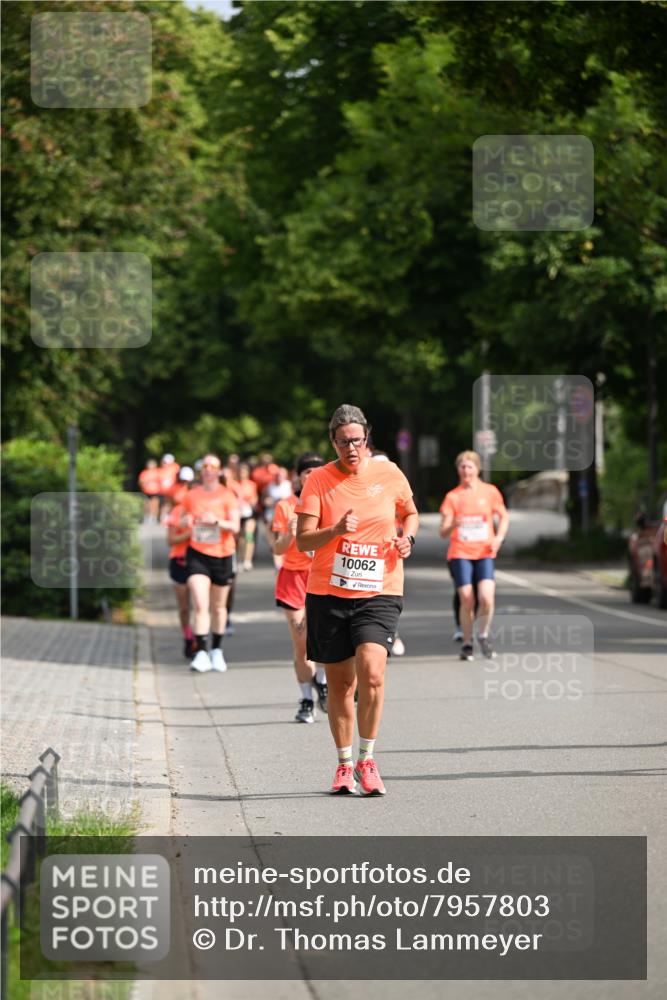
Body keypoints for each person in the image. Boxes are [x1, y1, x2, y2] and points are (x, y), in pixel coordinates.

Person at [296, 404, 419, 796]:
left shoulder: (389, 473)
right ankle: (344, 765)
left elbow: (410, 513)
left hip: (380, 589)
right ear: (332, 442)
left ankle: (367, 759)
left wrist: (407, 538)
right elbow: (302, 539)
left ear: (367, 437)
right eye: (343, 442)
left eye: (357, 440)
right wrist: (334, 530)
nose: (351, 448)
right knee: (341, 685)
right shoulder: (318, 480)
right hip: (329, 593)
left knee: (373, 672)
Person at [272, 453, 328, 724]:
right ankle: (306, 699)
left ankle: (323, 681)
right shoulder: (285, 506)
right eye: (307, 472)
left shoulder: (330, 502)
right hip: (293, 578)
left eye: (318, 471)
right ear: (299, 476)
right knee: (302, 641)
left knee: (325, 638)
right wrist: (290, 534)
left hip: (323, 575)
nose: (312, 475)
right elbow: (277, 549)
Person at [439, 450, 509, 661]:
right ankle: (467, 643)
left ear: (477, 469)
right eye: (462, 467)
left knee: (486, 597)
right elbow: (442, 532)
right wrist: (453, 524)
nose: (465, 470)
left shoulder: (490, 492)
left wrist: (499, 538)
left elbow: (504, 516)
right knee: (467, 599)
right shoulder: (453, 496)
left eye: (469, 466)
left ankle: (483, 635)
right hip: (460, 553)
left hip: (485, 552)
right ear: (458, 470)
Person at [181, 453, 240, 673]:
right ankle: (201, 652)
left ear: (219, 471)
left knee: (218, 606)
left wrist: (216, 521)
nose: (208, 470)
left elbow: (235, 526)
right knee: (200, 603)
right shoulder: (191, 495)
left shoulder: (227, 495)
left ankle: (216, 649)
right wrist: (186, 520)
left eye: (212, 466)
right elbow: (182, 518)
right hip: (197, 554)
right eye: (205, 466)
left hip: (223, 554)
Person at [165, 466, 196, 659]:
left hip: (200, 561)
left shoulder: (204, 512)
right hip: (179, 561)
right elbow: (170, 540)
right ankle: (188, 637)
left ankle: (200, 640)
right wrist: (189, 533)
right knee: (185, 607)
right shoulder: (177, 512)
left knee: (201, 605)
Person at [236, 463, 259, 571]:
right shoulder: (235, 484)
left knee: (248, 535)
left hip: (249, 513)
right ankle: (240, 559)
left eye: (244, 472)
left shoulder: (252, 485)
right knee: (241, 538)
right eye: (240, 472)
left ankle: (248, 560)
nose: (242, 474)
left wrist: (251, 501)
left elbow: (254, 498)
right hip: (238, 514)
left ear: (248, 473)